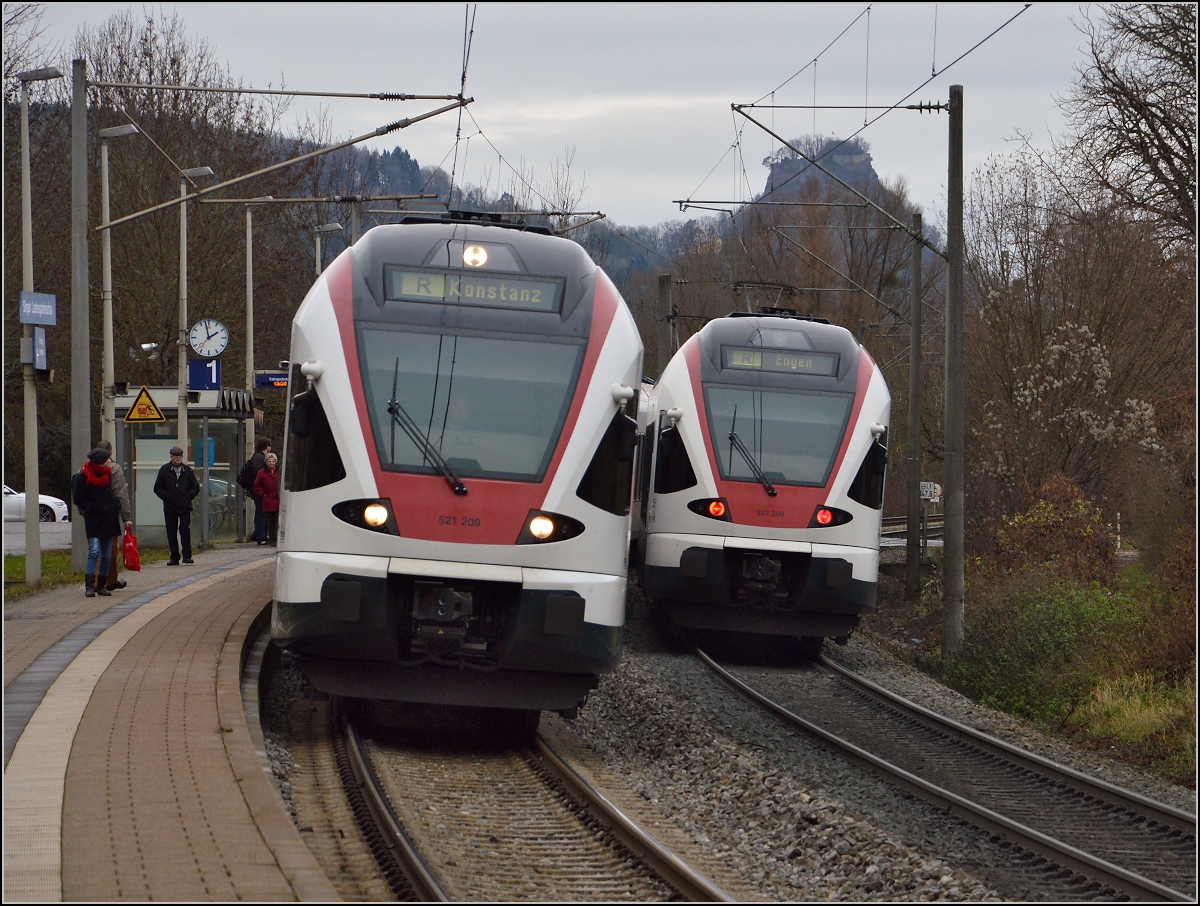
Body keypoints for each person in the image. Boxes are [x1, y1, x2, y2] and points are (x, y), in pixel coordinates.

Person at [71, 448, 122, 597]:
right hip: (94, 519)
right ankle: (89, 586)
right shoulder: (83, 476)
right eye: (107, 460)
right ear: (100, 461)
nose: (109, 462)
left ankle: (101, 585)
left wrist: (115, 504)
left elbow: (111, 494)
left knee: (107, 555)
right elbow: (78, 499)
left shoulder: (107, 475)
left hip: (109, 519)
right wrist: (91, 508)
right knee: (94, 551)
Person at [95, 439, 134, 591]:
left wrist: (84, 510)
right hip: (109, 513)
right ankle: (110, 580)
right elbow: (121, 494)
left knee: (93, 548)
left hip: (92, 514)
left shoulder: (85, 468)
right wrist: (127, 516)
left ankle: (93, 581)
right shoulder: (115, 469)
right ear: (111, 452)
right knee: (111, 547)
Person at [154, 446, 200, 565]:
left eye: (180, 456)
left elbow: (195, 487)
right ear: (171, 457)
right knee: (171, 532)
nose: (178, 458)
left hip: (184, 506)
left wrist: (188, 497)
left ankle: (187, 556)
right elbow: (157, 487)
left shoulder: (187, 471)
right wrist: (167, 497)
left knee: (184, 529)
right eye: (176, 456)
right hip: (170, 507)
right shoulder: (164, 470)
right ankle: (174, 557)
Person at [239, 437, 272, 544]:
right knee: (261, 513)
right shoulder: (259, 457)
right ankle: (260, 536)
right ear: (267, 447)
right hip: (259, 490)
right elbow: (258, 474)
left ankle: (256, 534)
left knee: (261, 512)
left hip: (257, 490)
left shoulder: (258, 456)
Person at [252, 452, 281, 546]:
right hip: (268, 500)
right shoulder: (262, 472)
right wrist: (262, 494)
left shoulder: (279, 472)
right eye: (269, 461)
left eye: (273, 461)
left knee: (278, 521)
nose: (271, 463)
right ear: (266, 462)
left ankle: (278, 539)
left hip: (278, 499)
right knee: (270, 522)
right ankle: (272, 539)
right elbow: (257, 485)